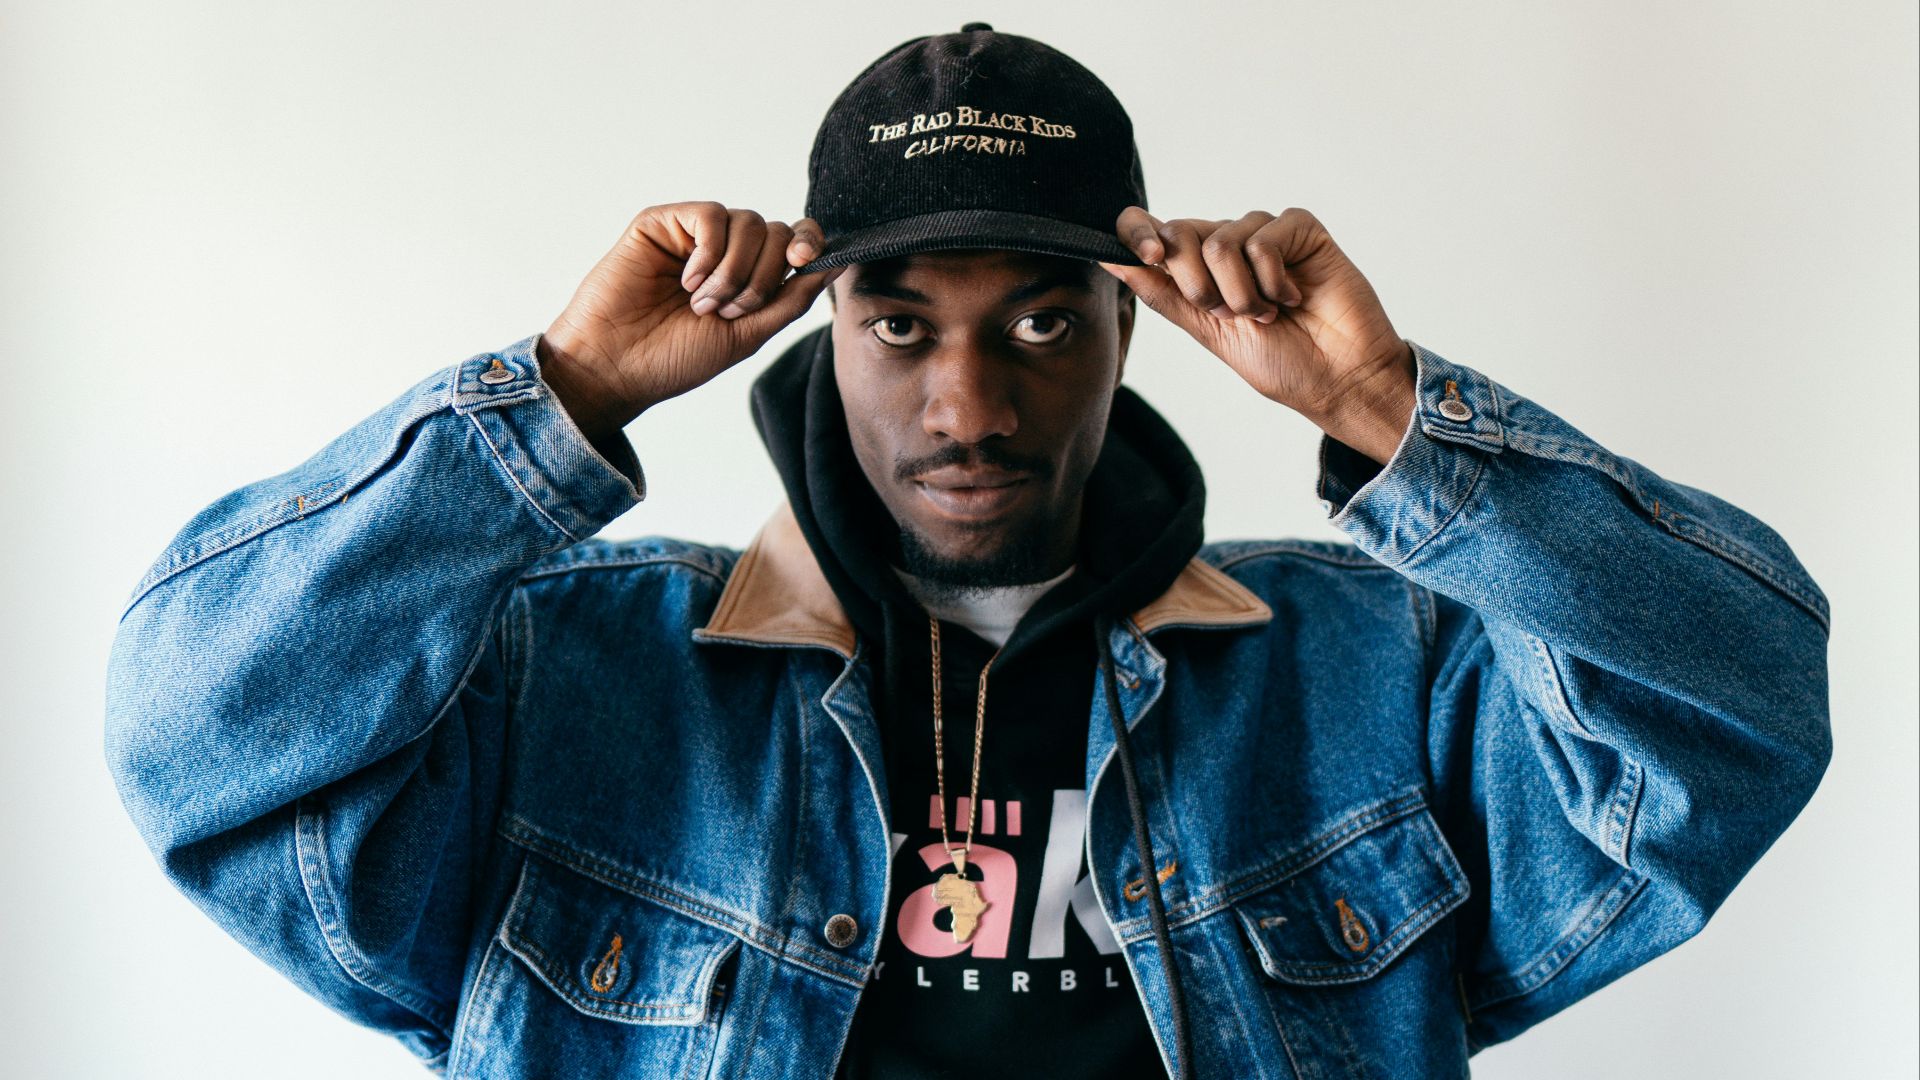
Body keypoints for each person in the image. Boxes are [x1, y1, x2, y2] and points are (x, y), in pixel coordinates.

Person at [103, 22, 1832, 1080]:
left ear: (1133, 332)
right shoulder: (581, 672)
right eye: (900, 320)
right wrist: (552, 404)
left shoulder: (1370, 672)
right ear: (817, 325)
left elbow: (1736, 706)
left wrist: (1392, 408)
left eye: (1039, 323)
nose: (965, 404)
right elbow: (198, 737)